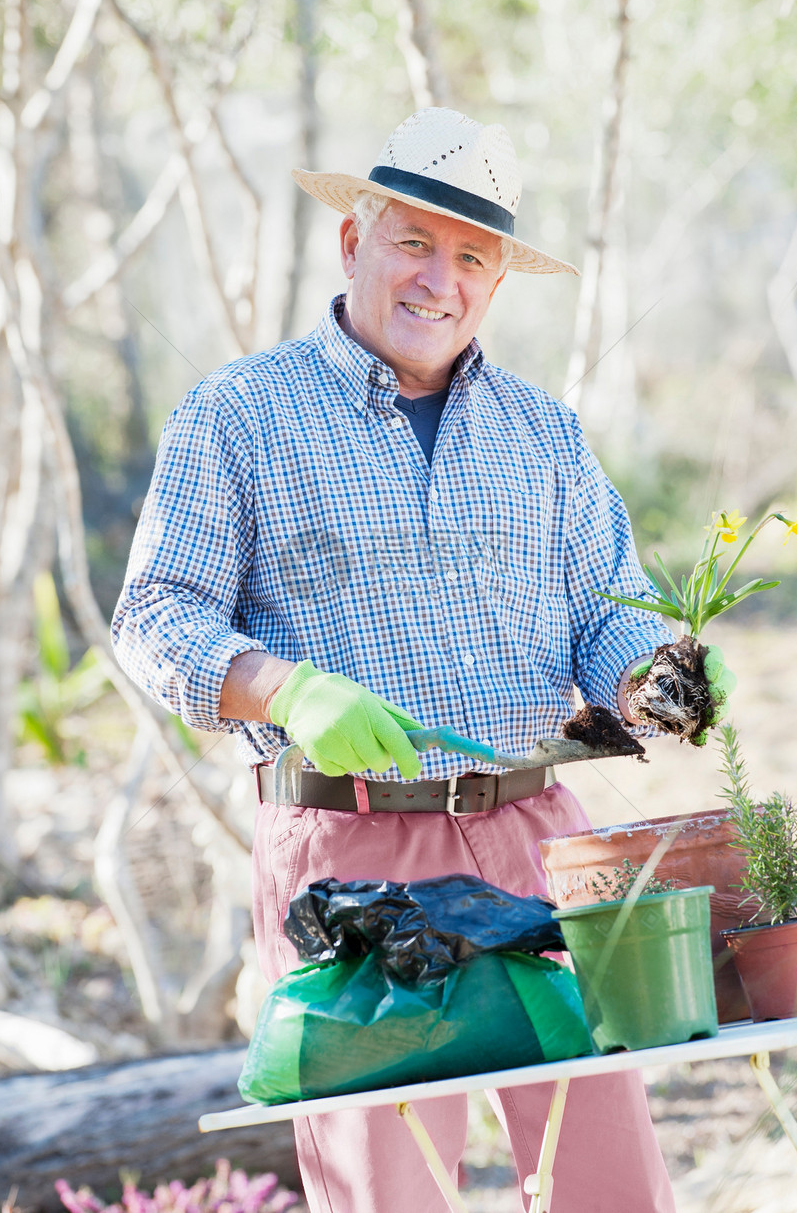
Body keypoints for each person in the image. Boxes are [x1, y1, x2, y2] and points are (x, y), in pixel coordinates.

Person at [112, 107, 681, 1212]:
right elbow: (154, 611)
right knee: (386, 1193)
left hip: (534, 845)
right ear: (351, 243)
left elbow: (611, 612)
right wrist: (281, 685)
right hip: (346, 859)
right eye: (412, 241)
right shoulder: (236, 414)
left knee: (602, 1184)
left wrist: (649, 673)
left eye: (470, 256)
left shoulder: (545, 434)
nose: (439, 279)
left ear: (496, 281)